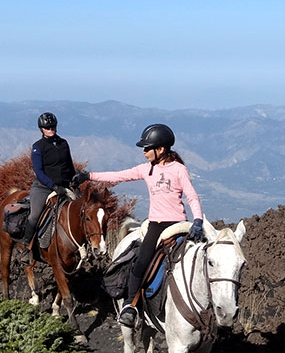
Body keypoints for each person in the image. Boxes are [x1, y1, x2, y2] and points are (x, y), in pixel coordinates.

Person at [72, 123, 203, 328]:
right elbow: (119, 176)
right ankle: (130, 306)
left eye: (147, 148)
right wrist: (89, 176)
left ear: (160, 150)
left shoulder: (179, 170)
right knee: (141, 263)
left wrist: (198, 220)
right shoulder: (146, 169)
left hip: (178, 224)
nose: (144, 152)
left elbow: (192, 196)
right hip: (156, 225)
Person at [24, 112, 76, 247]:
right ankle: (26, 246)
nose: (51, 130)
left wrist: (74, 180)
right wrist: (53, 186)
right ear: (42, 129)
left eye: (53, 127)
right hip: (43, 187)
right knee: (35, 216)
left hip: (64, 186)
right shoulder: (38, 147)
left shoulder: (64, 143)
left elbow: (69, 166)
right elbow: (39, 172)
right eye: (47, 128)